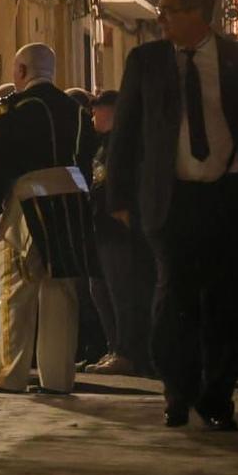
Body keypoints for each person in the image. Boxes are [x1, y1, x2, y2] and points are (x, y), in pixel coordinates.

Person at [108, 0, 238, 431]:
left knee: (228, 301)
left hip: (230, 197)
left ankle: (217, 397)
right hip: (172, 200)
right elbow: (125, 133)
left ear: (198, 14)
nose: (161, 17)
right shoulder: (145, 61)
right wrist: (121, 197)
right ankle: (177, 390)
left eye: (170, 10)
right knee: (173, 300)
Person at [0, 43, 86, 397]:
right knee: (61, 292)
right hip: (69, 203)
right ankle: (58, 379)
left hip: (26, 205)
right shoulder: (73, 108)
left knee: (15, 290)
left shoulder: (15, 110)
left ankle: (9, 374)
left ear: (21, 71)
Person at [82, 90, 154, 378]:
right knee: (100, 288)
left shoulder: (126, 145)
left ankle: (127, 352)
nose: (92, 117)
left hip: (119, 229)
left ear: (112, 111)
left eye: (97, 111)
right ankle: (114, 347)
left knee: (122, 290)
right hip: (101, 225)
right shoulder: (102, 144)